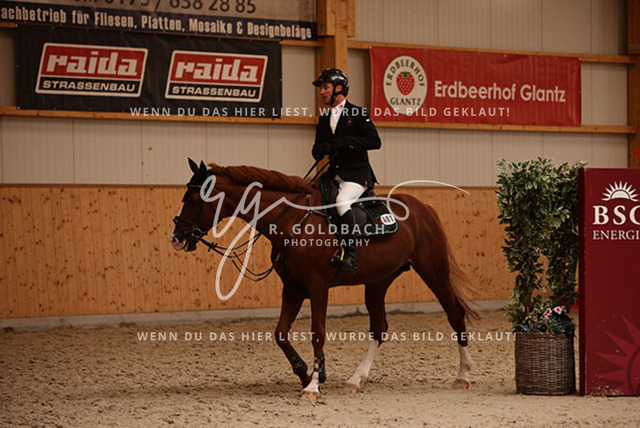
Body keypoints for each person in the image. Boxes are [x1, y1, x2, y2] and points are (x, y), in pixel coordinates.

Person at [311, 68, 382, 274]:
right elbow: (316, 150)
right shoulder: (324, 118)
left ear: (338, 88)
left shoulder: (358, 113)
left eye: (325, 87)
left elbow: (374, 141)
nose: (322, 92)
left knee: (342, 202)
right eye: (321, 88)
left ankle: (350, 255)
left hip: (356, 175)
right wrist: (322, 149)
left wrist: (347, 142)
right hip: (333, 174)